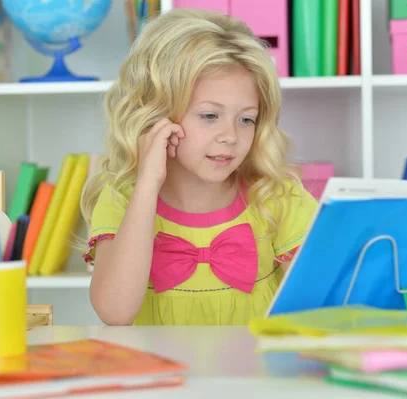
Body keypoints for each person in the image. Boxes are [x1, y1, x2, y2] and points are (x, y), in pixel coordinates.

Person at [80, 8, 317, 326]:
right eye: (209, 116)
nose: (230, 137)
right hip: (162, 375)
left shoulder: (276, 195)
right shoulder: (122, 199)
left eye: (246, 119)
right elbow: (115, 312)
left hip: (255, 375)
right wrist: (148, 183)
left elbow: (322, 304)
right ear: (158, 114)